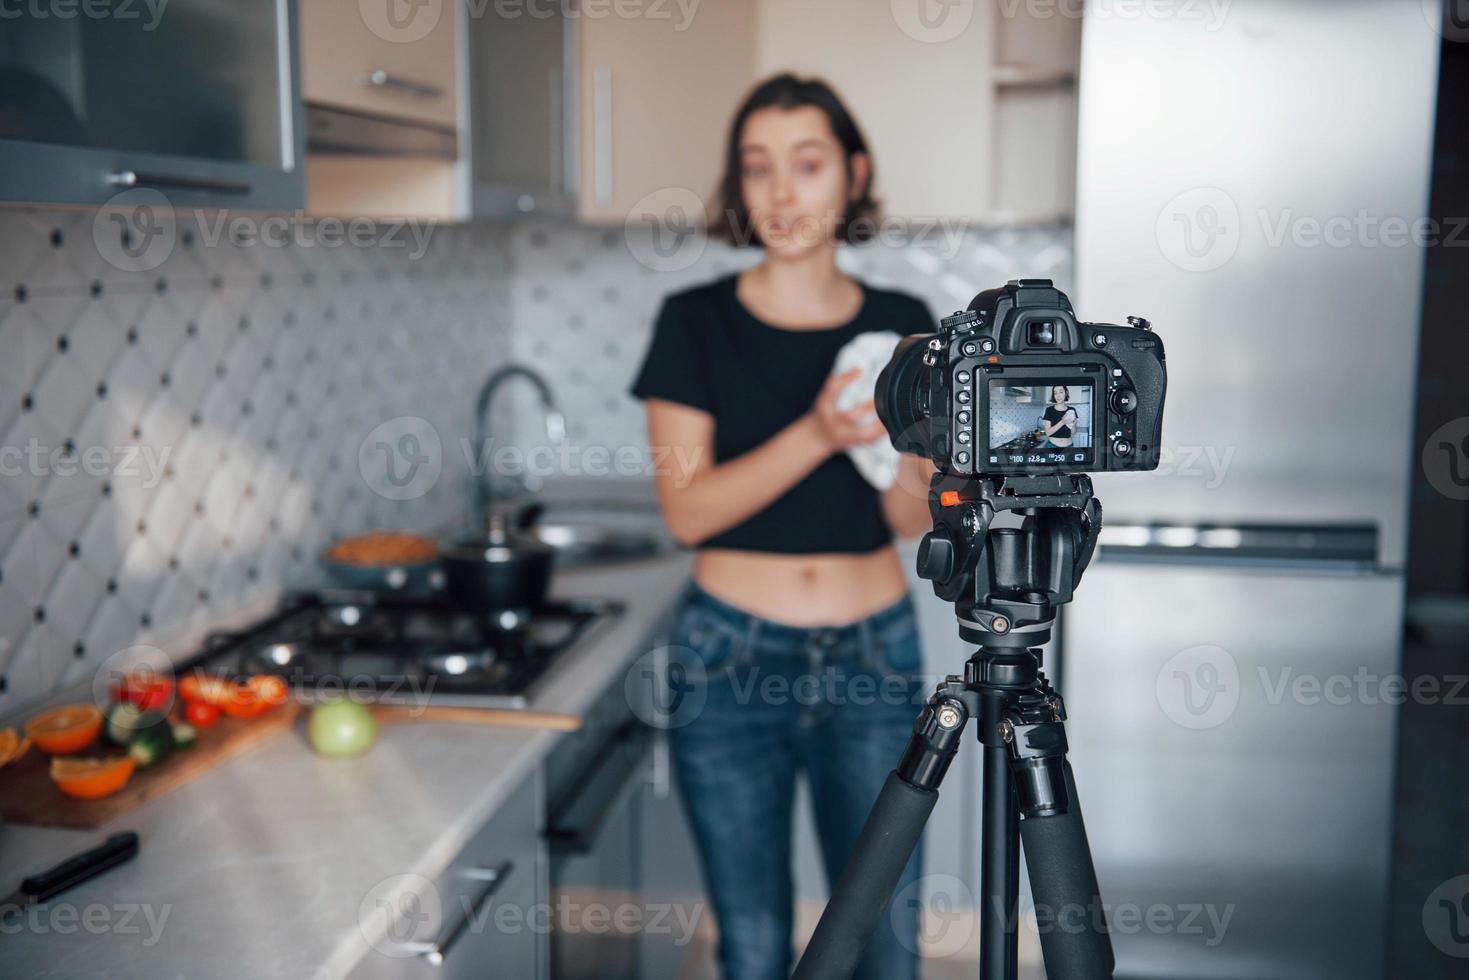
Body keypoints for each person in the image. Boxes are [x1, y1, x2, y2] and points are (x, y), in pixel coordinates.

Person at [628, 74, 936, 980]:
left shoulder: (903, 330)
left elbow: (906, 518)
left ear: (852, 174)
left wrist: (901, 457)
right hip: (725, 660)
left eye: (806, 164)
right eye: (756, 167)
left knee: (882, 940)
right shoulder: (693, 325)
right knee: (755, 946)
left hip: (874, 657)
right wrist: (820, 432)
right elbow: (687, 511)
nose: (780, 192)